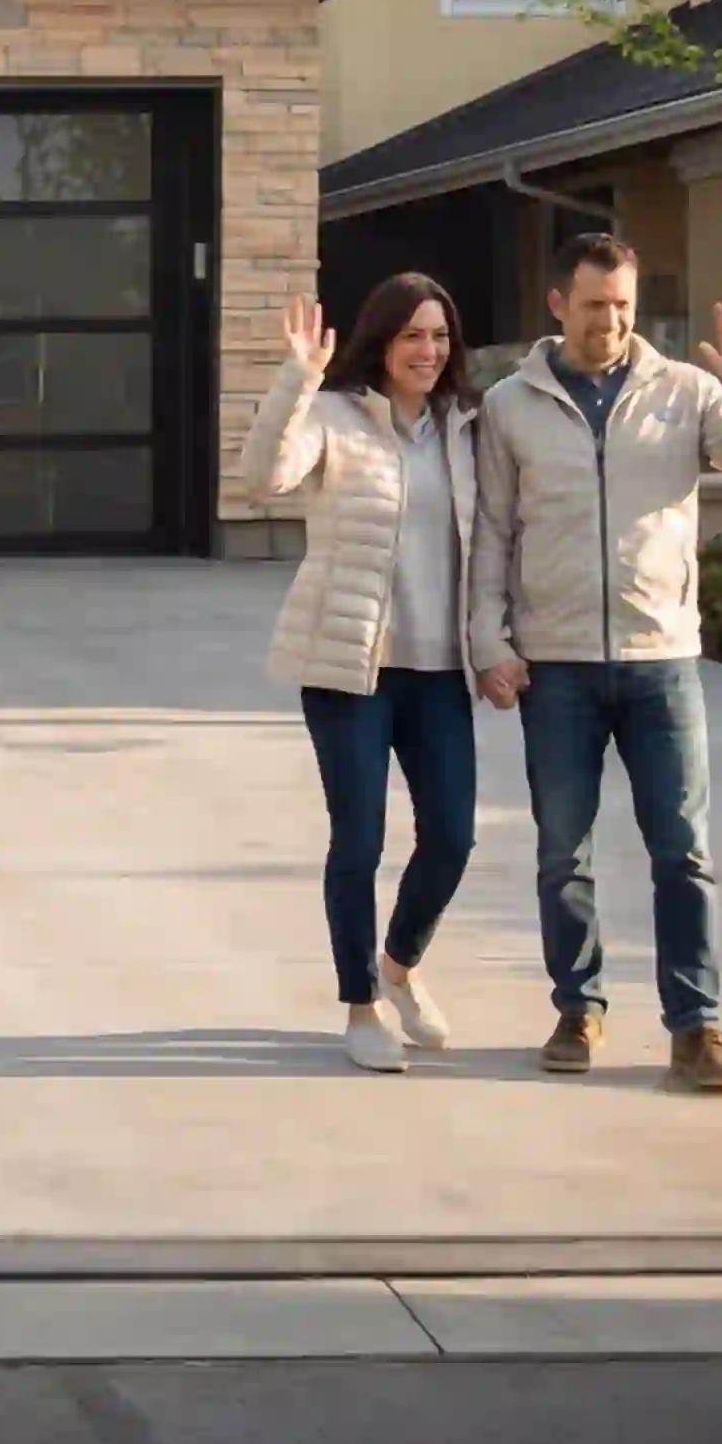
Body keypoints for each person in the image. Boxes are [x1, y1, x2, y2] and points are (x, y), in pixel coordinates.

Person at [467, 232, 722, 1092]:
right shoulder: (510, 406)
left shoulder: (686, 392)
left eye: (622, 305)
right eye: (593, 306)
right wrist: (489, 640)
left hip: (662, 660)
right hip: (557, 664)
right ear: (558, 305)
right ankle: (577, 1008)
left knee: (683, 851)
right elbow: (492, 531)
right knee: (562, 851)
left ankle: (696, 1026)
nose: (610, 322)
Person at [247, 274, 483, 1072]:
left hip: (439, 669)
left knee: (451, 836)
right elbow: (264, 477)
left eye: (440, 336)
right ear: (381, 342)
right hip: (350, 666)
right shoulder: (332, 416)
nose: (428, 350)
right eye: (412, 334)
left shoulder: (464, 428)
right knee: (359, 839)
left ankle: (398, 968)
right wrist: (296, 379)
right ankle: (360, 1005)